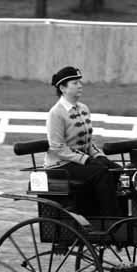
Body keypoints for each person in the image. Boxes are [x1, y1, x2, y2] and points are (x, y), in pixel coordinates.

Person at [46, 66, 121, 216]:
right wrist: (86, 160)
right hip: (61, 165)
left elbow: (88, 142)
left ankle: (100, 213)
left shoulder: (83, 108)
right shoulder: (56, 113)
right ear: (63, 88)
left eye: (80, 82)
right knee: (101, 173)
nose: (80, 85)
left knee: (116, 170)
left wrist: (99, 157)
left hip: (79, 162)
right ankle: (110, 218)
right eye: (75, 83)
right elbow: (58, 148)